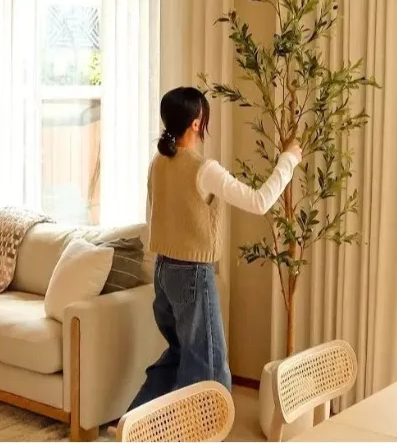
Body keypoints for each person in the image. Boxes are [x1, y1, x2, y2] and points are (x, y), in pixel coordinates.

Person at [128, 86, 302, 410]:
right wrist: (289, 159)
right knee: (210, 372)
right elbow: (259, 201)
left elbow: (154, 214)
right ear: (196, 122)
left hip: (163, 272)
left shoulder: (157, 164)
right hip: (192, 275)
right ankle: (199, 429)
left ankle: (130, 426)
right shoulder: (204, 170)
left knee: (179, 356)